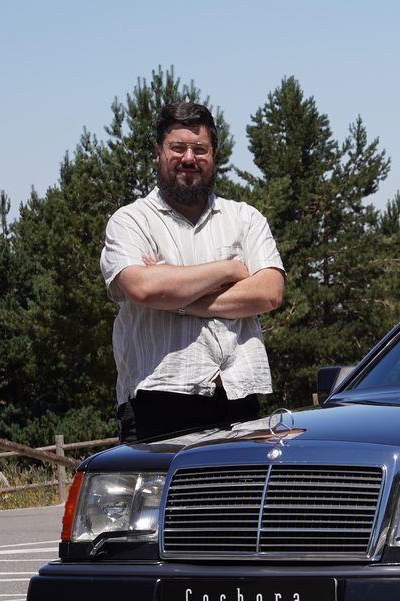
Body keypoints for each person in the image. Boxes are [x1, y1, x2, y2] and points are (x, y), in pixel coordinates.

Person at [99, 101, 286, 442]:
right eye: (178, 148)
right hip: (156, 399)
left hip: (239, 399)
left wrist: (177, 294)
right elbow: (142, 288)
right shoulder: (131, 221)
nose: (189, 158)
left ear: (214, 155)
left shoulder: (245, 218)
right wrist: (231, 269)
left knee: (239, 497)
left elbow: (269, 292)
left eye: (199, 149)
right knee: (165, 499)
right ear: (158, 152)